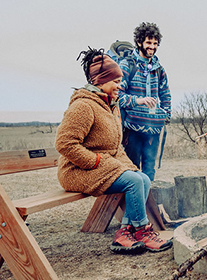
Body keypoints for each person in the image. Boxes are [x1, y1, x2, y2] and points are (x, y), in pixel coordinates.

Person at [56, 47, 172, 253]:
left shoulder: (110, 105)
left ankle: (125, 233)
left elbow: (115, 147)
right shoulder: (84, 105)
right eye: (116, 82)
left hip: (99, 165)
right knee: (134, 181)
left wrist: (129, 167)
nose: (120, 86)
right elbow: (65, 143)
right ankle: (142, 231)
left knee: (142, 177)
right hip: (77, 171)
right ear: (99, 81)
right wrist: (95, 161)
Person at [118, 22, 171, 181]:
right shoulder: (127, 65)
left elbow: (165, 93)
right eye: (149, 42)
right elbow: (117, 95)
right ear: (139, 42)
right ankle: (132, 206)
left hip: (154, 129)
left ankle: (148, 205)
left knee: (149, 171)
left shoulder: (159, 69)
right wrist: (138, 100)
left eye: (155, 43)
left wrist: (166, 115)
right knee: (133, 171)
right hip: (132, 127)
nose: (152, 47)